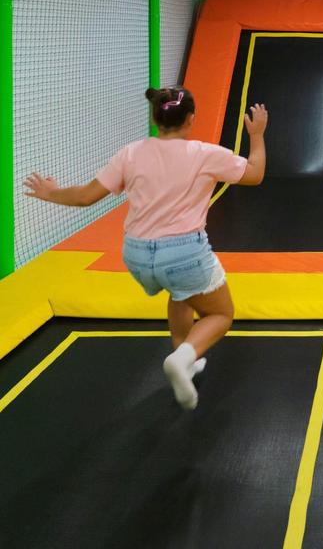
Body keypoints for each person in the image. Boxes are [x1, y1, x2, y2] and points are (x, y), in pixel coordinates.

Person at [25, 87, 268, 410]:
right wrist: (257, 134)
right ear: (191, 119)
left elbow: (85, 197)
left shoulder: (130, 153)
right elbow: (255, 174)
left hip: (137, 256)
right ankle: (183, 359)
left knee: (181, 293)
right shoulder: (205, 154)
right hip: (183, 253)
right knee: (221, 313)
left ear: (155, 119)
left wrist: (50, 193)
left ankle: (186, 357)